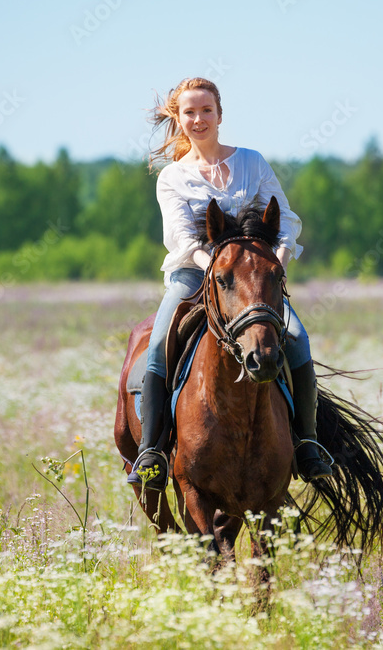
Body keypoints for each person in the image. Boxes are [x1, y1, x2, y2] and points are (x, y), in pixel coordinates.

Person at [126, 76, 333, 491]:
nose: (199, 119)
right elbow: (182, 239)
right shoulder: (171, 178)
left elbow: (286, 219)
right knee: (160, 338)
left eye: (206, 110)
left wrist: (277, 264)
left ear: (220, 115)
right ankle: (151, 451)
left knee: (296, 336)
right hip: (194, 272)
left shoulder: (251, 162)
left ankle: (308, 443)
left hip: (253, 276)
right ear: (179, 119)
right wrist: (216, 268)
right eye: (190, 112)